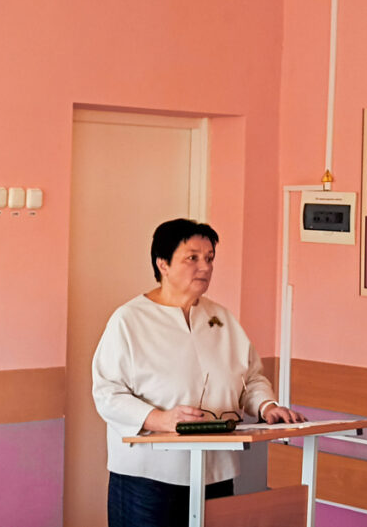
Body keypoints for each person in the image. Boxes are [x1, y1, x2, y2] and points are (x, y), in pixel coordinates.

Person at [91, 218, 305, 527]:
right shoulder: (129, 320)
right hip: (148, 475)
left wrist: (266, 406)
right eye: (192, 258)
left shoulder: (221, 318)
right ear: (163, 264)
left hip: (214, 470)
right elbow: (107, 393)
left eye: (209, 258)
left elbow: (251, 377)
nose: (204, 267)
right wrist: (160, 419)